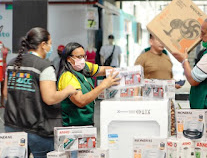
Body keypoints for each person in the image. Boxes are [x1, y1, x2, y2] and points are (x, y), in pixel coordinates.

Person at [3, 27, 77, 158]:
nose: (51, 47)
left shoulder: (11, 63)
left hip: (13, 127)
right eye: (50, 43)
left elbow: (5, 94)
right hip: (37, 130)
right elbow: (50, 98)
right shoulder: (44, 66)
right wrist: (67, 90)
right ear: (43, 45)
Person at [57, 42, 120, 127]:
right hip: (73, 125)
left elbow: (103, 70)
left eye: (84, 56)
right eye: (79, 57)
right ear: (69, 58)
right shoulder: (67, 77)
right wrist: (103, 85)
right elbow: (80, 101)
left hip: (86, 122)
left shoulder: (84, 67)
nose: (82, 60)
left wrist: (121, 73)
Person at [0, 41, 10, 107]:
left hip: (3, 66)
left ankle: (2, 102)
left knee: (3, 84)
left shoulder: (2, 44)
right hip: (1, 66)